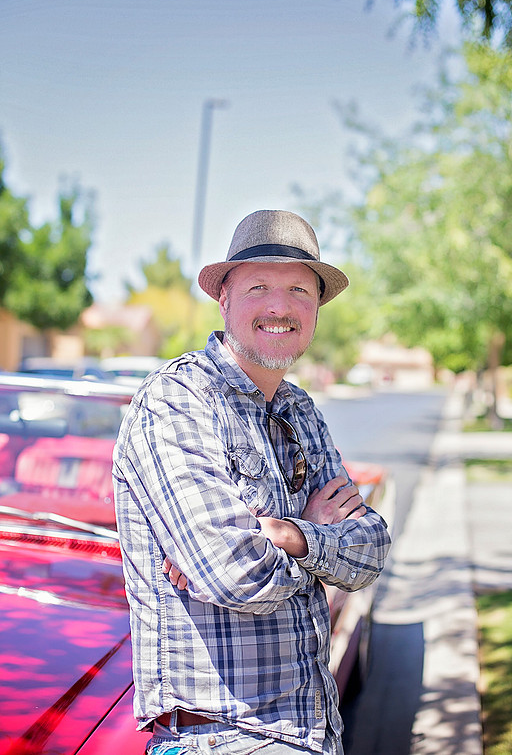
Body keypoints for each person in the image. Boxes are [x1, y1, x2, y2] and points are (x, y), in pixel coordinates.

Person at [112, 209, 391, 755]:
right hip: (220, 738)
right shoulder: (178, 400)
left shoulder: (299, 409)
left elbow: (370, 550)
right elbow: (232, 573)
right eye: (259, 286)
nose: (280, 307)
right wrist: (316, 538)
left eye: (299, 290)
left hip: (314, 729)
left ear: (316, 309)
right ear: (224, 299)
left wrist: (288, 534)